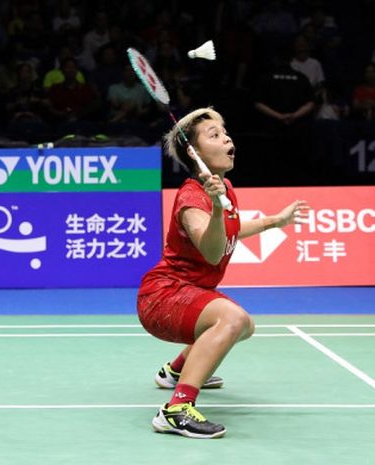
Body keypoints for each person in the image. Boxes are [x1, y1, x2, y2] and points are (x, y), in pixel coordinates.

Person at [137, 107, 309, 439]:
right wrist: (216, 208)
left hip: (187, 294)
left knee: (244, 325)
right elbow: (213, 249)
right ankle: (176, 410)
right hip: (162, 297)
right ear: (194, 152)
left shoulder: (224, 187)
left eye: (224, 130)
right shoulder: (191, 198)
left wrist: (276, 220)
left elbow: (232, 228)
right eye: (213, 135)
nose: (226, 137)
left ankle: (175, 371)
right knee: (231, 319)